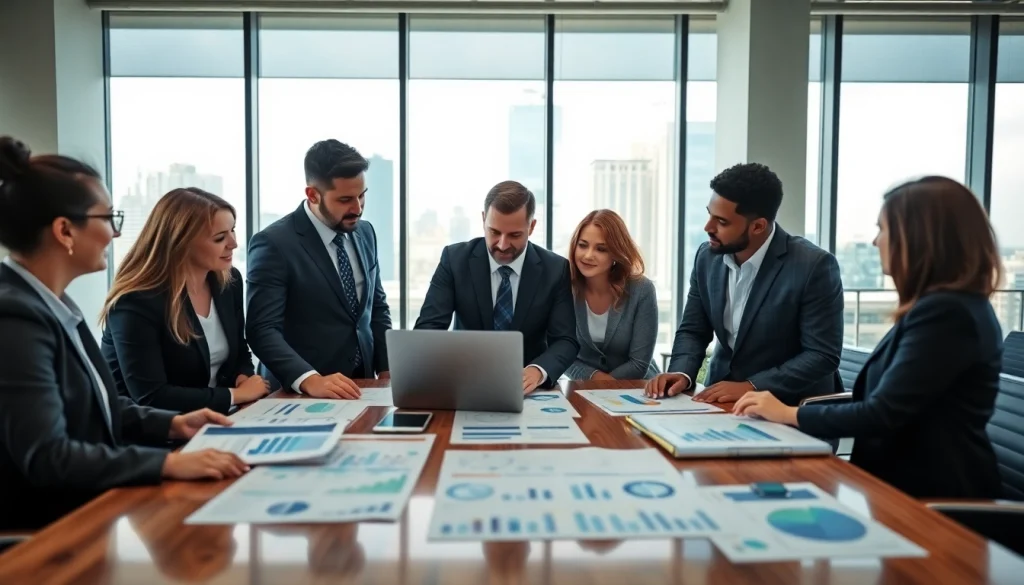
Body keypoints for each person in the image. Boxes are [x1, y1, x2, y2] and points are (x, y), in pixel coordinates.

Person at [0, 136, 247, 531]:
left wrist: (172, 424)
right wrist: (167, 462)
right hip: (48, 531)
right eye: (108, 219)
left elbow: (100, 405)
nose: (115, 235)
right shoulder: (15, 317)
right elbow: (49, 456)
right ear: (65, 231)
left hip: (91, 508)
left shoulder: (52, 302)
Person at [735, 176, 1004, 499]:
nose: (877, 242)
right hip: (897, 488)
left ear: (918, 238)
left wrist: (787, 413)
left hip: (933, 502)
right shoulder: (946, 307)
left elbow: (881, 414)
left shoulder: (947, 315)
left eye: (883, 229)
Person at [645, 162, 843, 405]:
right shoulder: (707, 258)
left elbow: (821, 355)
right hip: (721, 400)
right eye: (709, 215)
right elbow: (694, 330)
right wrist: (682, 373)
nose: (708, 228)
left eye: (722, 222)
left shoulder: (813, 266)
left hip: (791, 407)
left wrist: (751, 386)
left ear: (758, 226)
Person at [99, 188, 268, 415]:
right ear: (181, 242)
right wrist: (236, 395)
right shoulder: (135, 302)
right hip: (152, 436)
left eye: (233, 230)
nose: (233, 243)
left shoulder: (229, 281)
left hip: (216, 418)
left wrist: (243, 378)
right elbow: (151, 396)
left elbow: (239, 351)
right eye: (219, 237)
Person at [247, 139, 391, 398]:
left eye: (362, 195)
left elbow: (376, 308)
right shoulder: (273, 243)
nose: (357, 208)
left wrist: (388, 367)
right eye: (345, 199)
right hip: (298, 394)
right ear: (312, 195)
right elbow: (262, 329)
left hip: (363, 387)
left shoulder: (365, 233)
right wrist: (309, 379)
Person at [415, 180, 578, 393]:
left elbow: (565, 340)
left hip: (529, 390)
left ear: (532, 226)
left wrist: (538, 371)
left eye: (514, 235)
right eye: (494, 232)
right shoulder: (455, 260)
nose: (502, 244)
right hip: (464, 382)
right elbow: (428, 330)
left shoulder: (555, 269)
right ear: (483, 219)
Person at [564, 209, 659, 380]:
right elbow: (561, 353)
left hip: (639, 390)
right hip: (585, 389)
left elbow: (639, 363)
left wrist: (606, 386)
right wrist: (596, 380)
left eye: (601, 249)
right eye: (583, 245)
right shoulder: (563, 288)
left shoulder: (642, 289)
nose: (588, 255)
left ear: (616, 253)